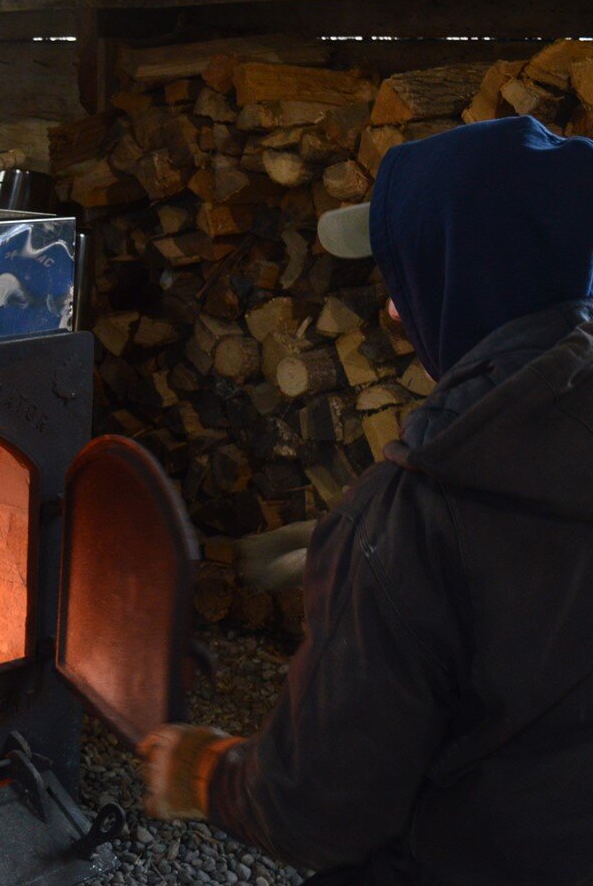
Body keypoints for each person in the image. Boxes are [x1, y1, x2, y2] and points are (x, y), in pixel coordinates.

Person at [137, 114, 593, 884]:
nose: (390, 312)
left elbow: (323, 808)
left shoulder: (416, 514)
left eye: (407, 277)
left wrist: (210, 772)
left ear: (466, 283)